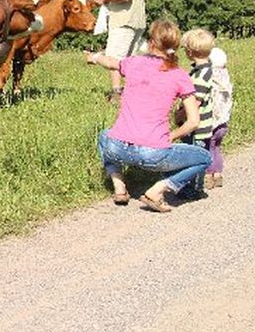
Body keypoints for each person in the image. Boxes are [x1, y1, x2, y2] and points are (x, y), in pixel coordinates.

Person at [88, 19, 211, 213]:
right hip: (153, 153)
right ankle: (157, 190)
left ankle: (119, 186)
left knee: (105, 135)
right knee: (204, 158)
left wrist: (94, 57)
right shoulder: (180, 75)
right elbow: (193, 122)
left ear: (151, 42)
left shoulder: (133, 63)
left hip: (117, 147)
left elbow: (110, 62)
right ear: (175, 46)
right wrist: (171, 136)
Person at [93, 0, 146, 103]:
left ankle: (117, 93)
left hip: (124, 20)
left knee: (114, 58)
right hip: (135, 19)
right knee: (130, 60)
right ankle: (132, 93)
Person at [176, 29, 215, 199]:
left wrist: (181, 114)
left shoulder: (200, 75)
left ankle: (192, 188)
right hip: (203, 125)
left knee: (193, 157)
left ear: (190, 52)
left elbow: (195, 102)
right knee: (196, 155)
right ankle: (194, 187)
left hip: (197, 127)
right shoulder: (205, 70)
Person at [207, 46, 233, 188]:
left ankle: (209, 174)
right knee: (217, 147)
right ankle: (218, 174)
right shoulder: (225, 76)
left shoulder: (211, 77)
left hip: (213, 121)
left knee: (209, 147)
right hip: (224, 121)